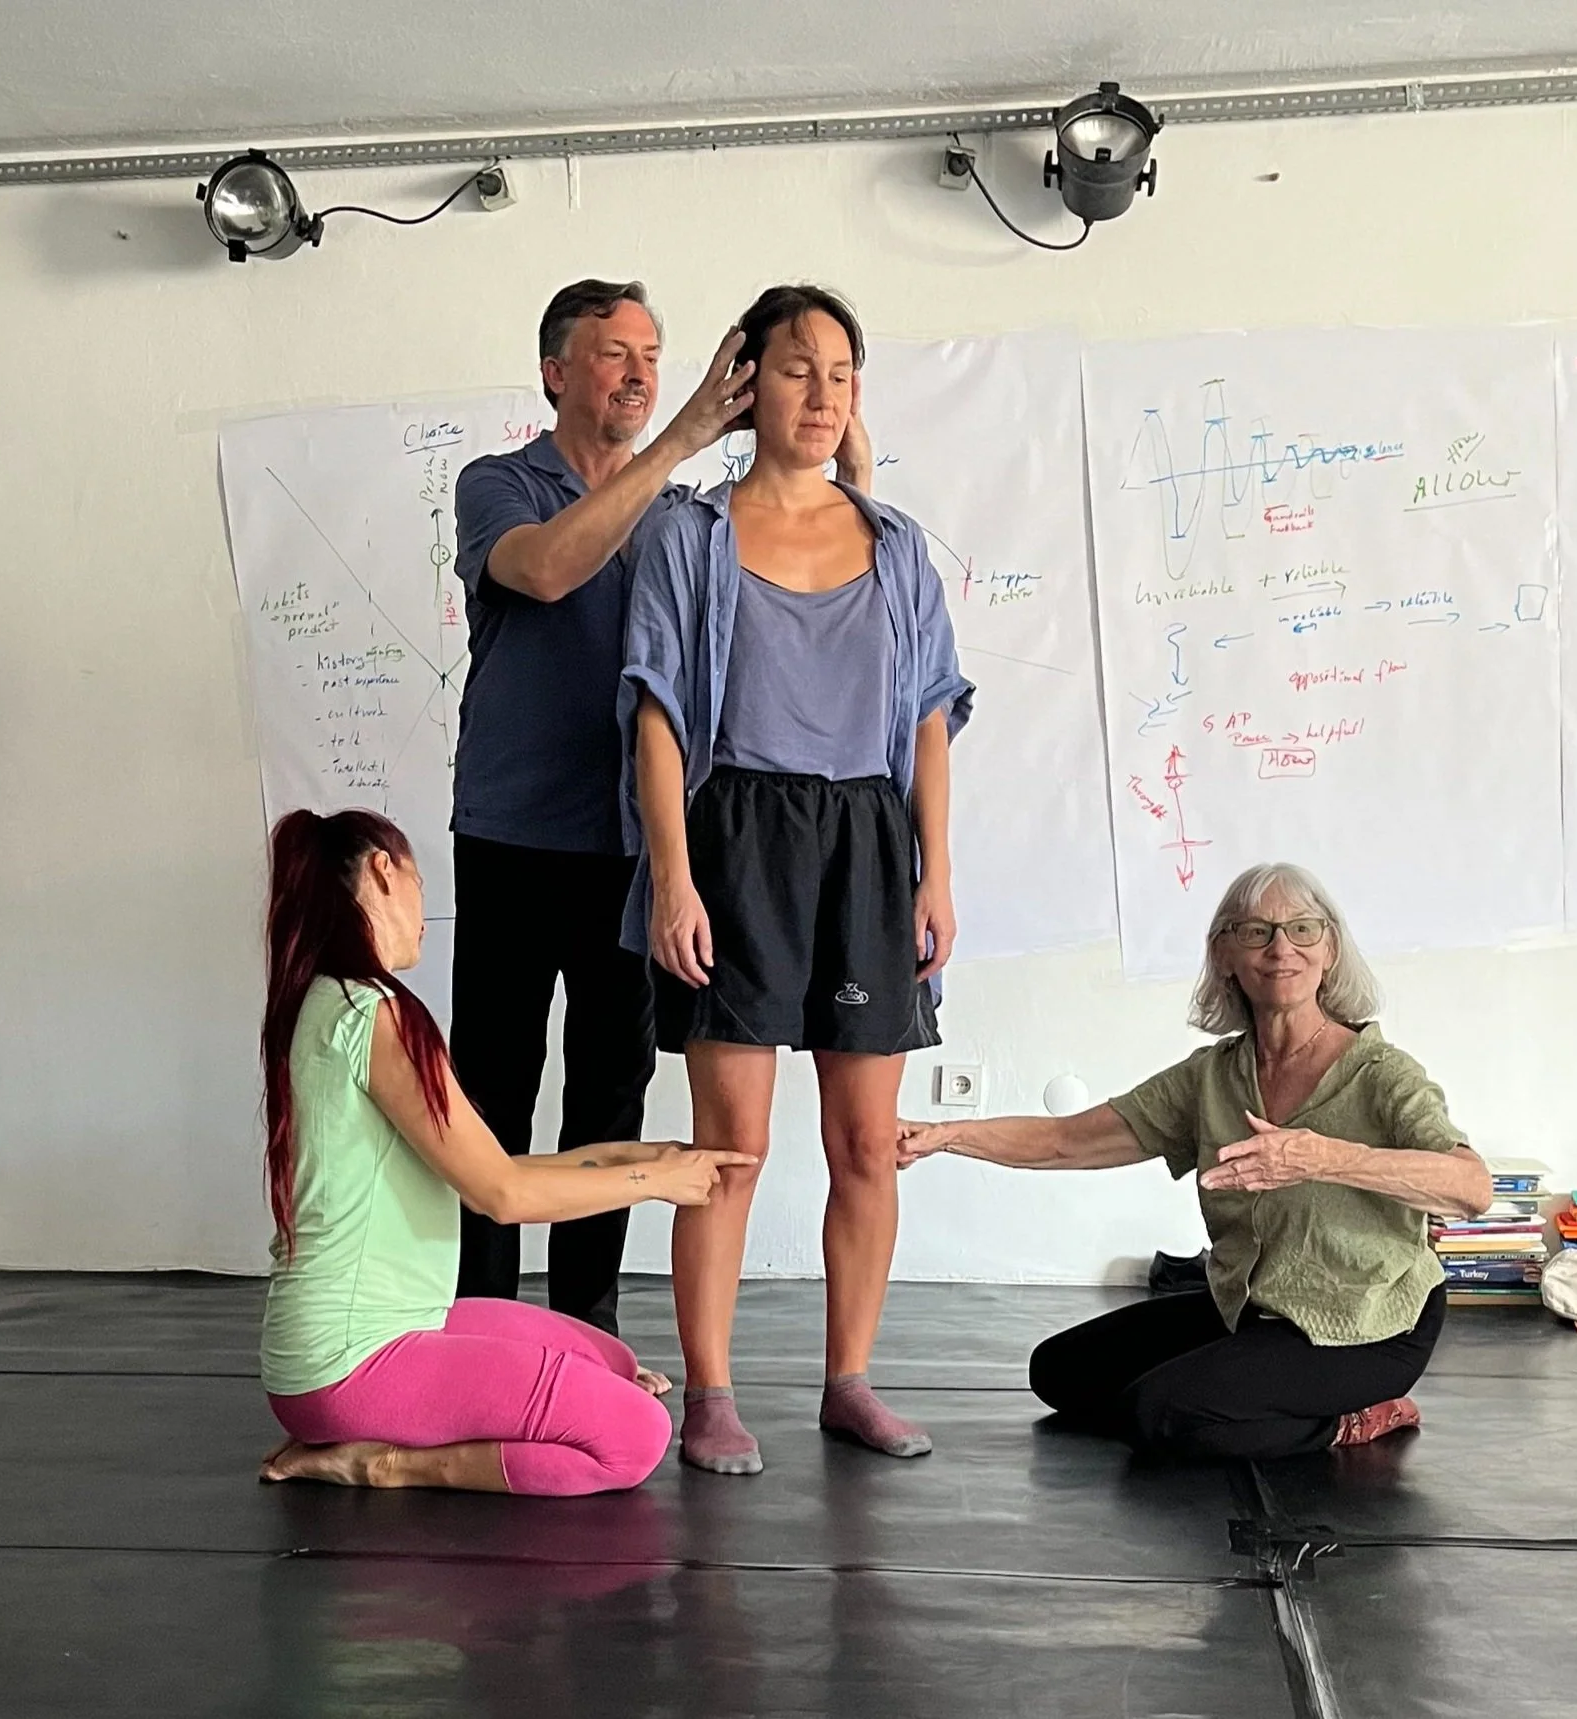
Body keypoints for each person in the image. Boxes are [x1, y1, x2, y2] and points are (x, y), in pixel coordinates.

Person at [448, 280, 870, 1334]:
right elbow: (548, 571)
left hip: (639, 849)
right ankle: (482, 1324)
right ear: (555, 373)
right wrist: (681, 438)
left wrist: (848, 468)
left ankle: (585, 1327)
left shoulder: (686, 518)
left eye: (651, 355)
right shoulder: (499, 483)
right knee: (493, 1086)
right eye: (613, 355)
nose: (639, 375)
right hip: (511, 835)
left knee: (611, 1091)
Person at [621, 284, 975, 1475]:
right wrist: (673, 881)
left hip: (867, 844)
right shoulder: (689, 535)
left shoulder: (896, 545)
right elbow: (656, 716)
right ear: (746, 384)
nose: (821, 394)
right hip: (736, 838)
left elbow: (929, 718)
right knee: (730, 1146)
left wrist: (933, 874)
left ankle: (849, 1382)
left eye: (840, 373)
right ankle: (711, 1395)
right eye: (795, 369)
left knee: (866, 1141)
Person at [898, 862, 1493, 1462]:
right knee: (1060, 1372)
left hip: (1369, 1324)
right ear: (1225, 954)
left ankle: (1353, 1419)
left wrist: (1324, 1158)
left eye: (1302, 929)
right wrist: (946, 1135)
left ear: (1330, 950)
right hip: (1254, 1308)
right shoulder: (1212, 1076)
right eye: (1256, 931)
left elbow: (1472, 1187)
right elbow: (1067, 1141)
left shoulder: (1381, 1073)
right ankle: (1236, 1391)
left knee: (1161, 1413)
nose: (1281, 948)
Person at [254, 808, 756, 1495]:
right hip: (353, 1361)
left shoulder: (330, 1001)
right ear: (382, 871)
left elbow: (493, 1169)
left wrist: (636, 1156)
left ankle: (399, 1421)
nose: (426, 909)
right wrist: (654, 1182)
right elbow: (503, 1197)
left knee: (610, 1359)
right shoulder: (377, 1015)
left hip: (363, 1339)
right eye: (419, 881)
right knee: (635, 1435)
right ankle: (380, 1460)